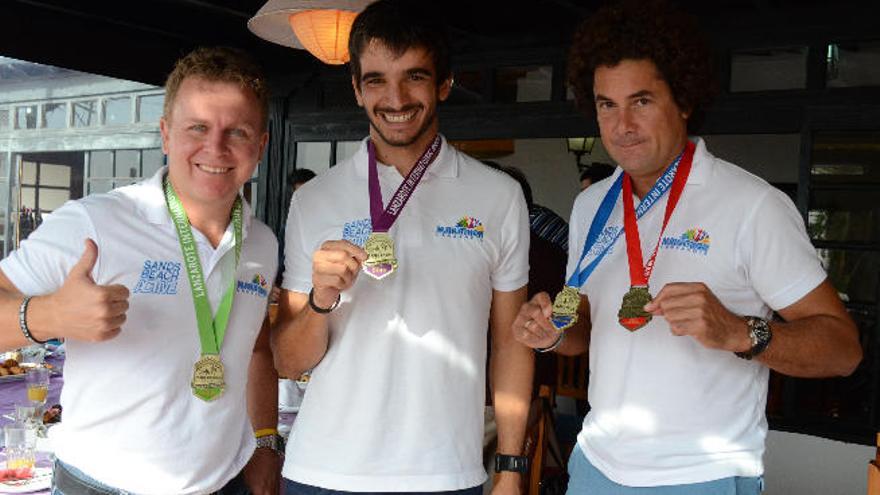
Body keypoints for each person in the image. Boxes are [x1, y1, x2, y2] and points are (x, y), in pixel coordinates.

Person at [512, 1, 862, 493]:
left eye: (642, 101)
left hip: (703, 475)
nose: (621, 125)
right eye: (605, 104)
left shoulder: (752, 205)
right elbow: (587, 328)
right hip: (595, 465)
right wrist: (550, 332)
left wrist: (740, 332)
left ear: (683, 100)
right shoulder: (593, 204)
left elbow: (842, 350)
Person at [272, 1, 533, 493]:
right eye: (375, 80)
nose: (395, 98)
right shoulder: (315, 199)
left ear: (444, 84)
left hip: (445, 471)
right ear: (355, 87)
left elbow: (510, 342)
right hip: (323, 471)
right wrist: (320, 301)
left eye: (414, 77)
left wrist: (511, 466)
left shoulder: (498, 196)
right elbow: (288, 361)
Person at [0, 46, 282, 494]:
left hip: (225, 483)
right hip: (104, 485)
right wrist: (49, 316)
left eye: (238, 132)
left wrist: (266, 442)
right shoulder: (96, 221)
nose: (216, 147)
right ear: (166, 134)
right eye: (198, 128)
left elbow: (256, 350)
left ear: (261, 145)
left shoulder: (263, 242)